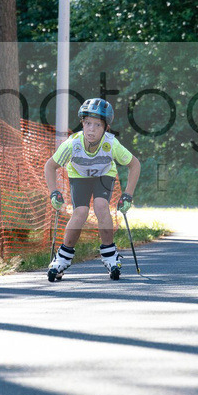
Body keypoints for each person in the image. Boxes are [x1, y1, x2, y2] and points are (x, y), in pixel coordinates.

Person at [44, 97, 141, 281]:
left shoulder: (111, 144)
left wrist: (128, 194)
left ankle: (110, 256)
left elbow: (134, 165)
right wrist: (53, 192)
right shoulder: (73, 144)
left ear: (106, 128)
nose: (91, 129)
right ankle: (63, 259)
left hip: (103, 174)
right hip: (79, 175)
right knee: (80, 212)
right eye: (88, 123)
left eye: (97, 125)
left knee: (101, 206)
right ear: (82, 123)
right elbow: (50, 166)